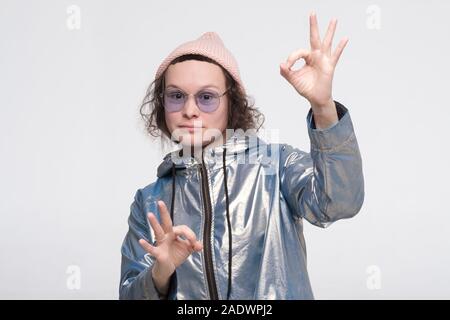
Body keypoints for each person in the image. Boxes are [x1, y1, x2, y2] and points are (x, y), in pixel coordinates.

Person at [119, 12, 364, 300]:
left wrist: (323, 107)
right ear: (162, 104)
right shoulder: (149, 201)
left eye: (206, 97)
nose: (190, 110)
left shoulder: (275, 166)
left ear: (232, 102)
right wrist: (159, 274)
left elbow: (340, 203)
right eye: (176, 95)